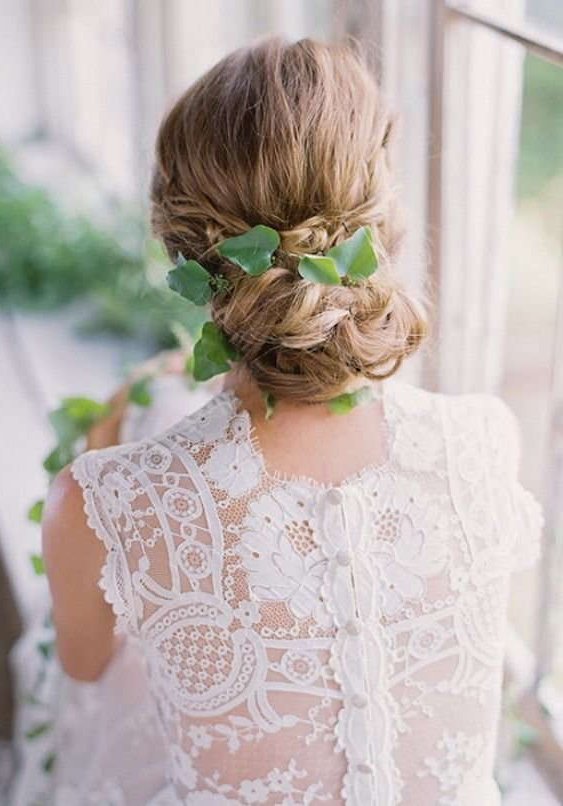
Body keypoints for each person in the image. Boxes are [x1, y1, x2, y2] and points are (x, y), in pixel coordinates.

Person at [42, 37, 543, 805]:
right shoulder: (482, 440)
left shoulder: (102, 502)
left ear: (177, 247)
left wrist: (113, 459)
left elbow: (83, 666)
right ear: (384, 221)